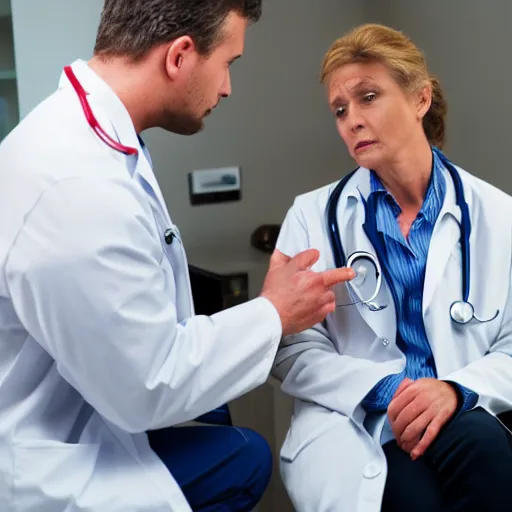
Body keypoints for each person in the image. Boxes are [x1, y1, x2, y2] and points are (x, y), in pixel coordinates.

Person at [0, 1, 354, 511]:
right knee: (245, 459)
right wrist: (274, 313)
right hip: (47, 463)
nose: (228, 87)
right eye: (228, 63)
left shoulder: (94, 137)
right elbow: (144, 387)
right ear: (181, 55)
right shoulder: (75, 184)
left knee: (219, 417)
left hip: (84, 404)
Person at [271, 23, 512, 512]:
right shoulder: (312, 217)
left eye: (369, 97)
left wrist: (454, 390)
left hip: (461, 410)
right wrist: (386, 388)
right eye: (340, 110)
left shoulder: (498, 214)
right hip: (359, 421)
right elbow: (290, 349)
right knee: (409, 499)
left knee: (486, 451)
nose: (351, 121)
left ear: (420, 99)